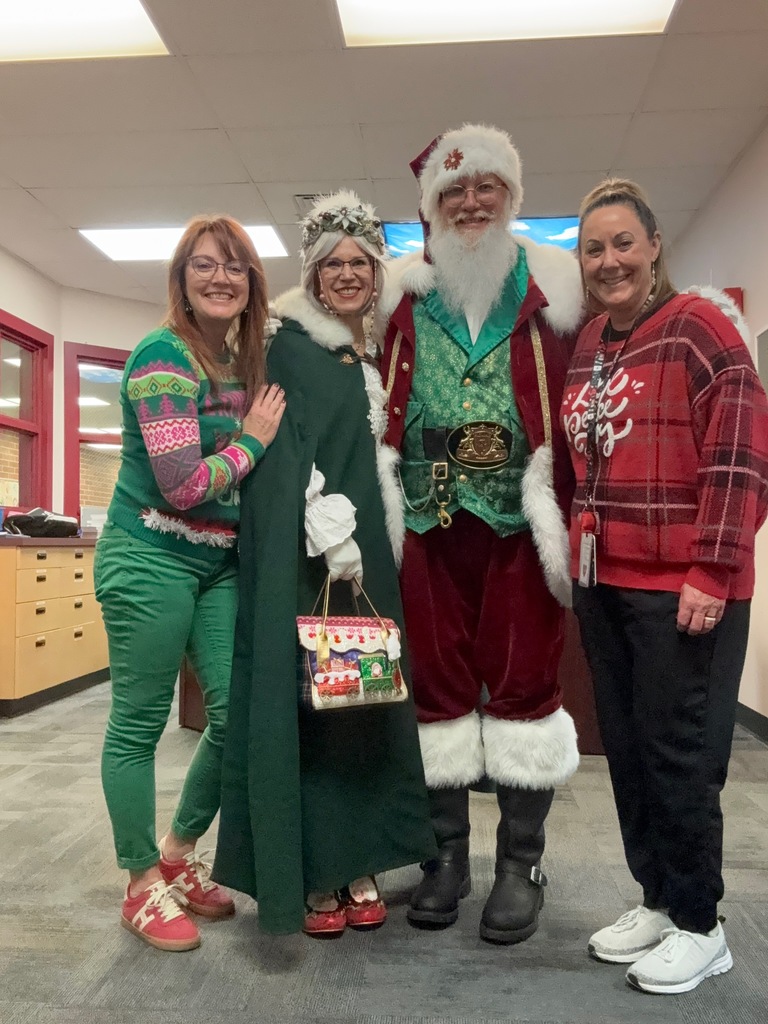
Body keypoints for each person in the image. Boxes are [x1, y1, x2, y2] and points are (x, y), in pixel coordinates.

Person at [376, 124, 583, 944]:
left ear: (510, 198)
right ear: (430, 209)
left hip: (517, 526)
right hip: (428, 523)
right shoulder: (401, 295)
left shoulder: (554, 293)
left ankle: (519, 864)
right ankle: (445, 861)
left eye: (485, 188)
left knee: (526, 683)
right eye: (452, 193)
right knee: (434, 685)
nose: (470, 203)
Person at [562, 178, 768, 994]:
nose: (608, 261)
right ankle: (657, 897)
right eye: (593, 249)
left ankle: (701, 923)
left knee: (683, 757)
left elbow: (741, 458)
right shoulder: (589, 343)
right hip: (605, 581)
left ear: (654, 247)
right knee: (632, 751)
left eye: (622, 243)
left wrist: (712, 570)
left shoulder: (702, 327)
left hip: (686, 586)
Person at [212, 190, 436, 937]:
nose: (346, 274)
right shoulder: (288, 346)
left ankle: (361, 856)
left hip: (370, 555)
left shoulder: (366, 349)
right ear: (311, 273)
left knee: (364, 703)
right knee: (314, 705)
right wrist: (329, 533)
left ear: (376, 272)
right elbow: (283, 452)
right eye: (331, 263)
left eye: (359, 263)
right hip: (317, 554)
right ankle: (312, 868)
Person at [95, 215, 285, 952]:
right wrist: (254, 443)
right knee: (139, 724)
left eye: (235, 266)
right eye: (204, 265)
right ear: (181, 278)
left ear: (251, 283)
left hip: (216, 563)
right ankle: (140, 882)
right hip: (148, 556)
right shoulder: (161, 357)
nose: (220, 277)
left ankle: (176, 853)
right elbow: (180, 484)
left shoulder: (238, 360)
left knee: (235, 717)